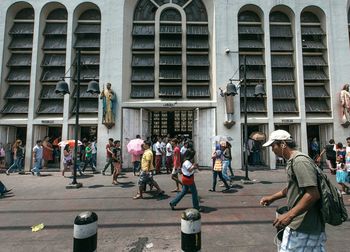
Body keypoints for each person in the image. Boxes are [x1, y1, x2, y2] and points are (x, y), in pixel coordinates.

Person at [260, 130, 326, 251]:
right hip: (302, 225)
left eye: (273, 146)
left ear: (283, 144)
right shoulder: (293, 161)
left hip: (303, 226)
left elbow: (313, 194)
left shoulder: (299, 161)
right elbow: (292, 188)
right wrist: (272, 197)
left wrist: (289, 215)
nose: (272, 150)